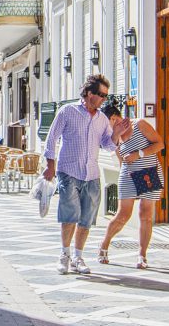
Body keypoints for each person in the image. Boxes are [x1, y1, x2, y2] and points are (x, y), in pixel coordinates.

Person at [42, 74, 130, 275]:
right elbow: (51, 138)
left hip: (91, 174)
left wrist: (116, 134)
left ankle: (78, 257)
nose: (103, 100)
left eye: (106, 96)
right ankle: (64, 255)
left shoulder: (101, 119)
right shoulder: (68, 111)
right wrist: (50, 165)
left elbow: (107, 145)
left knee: (86, 219)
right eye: (101, 95)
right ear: (89, 93)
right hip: (68, 171)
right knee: (69, 215)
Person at [98, 105, 165, 269]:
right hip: (128, 176)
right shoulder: (115, 136)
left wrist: (138, 154)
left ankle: (142, 255)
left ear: (114, 118)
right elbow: (119, 158)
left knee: (146, 214)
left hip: (149, 174)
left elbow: (160, 144)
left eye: (106, 122)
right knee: (123, 215)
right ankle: (103, 245)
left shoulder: (139, 124)